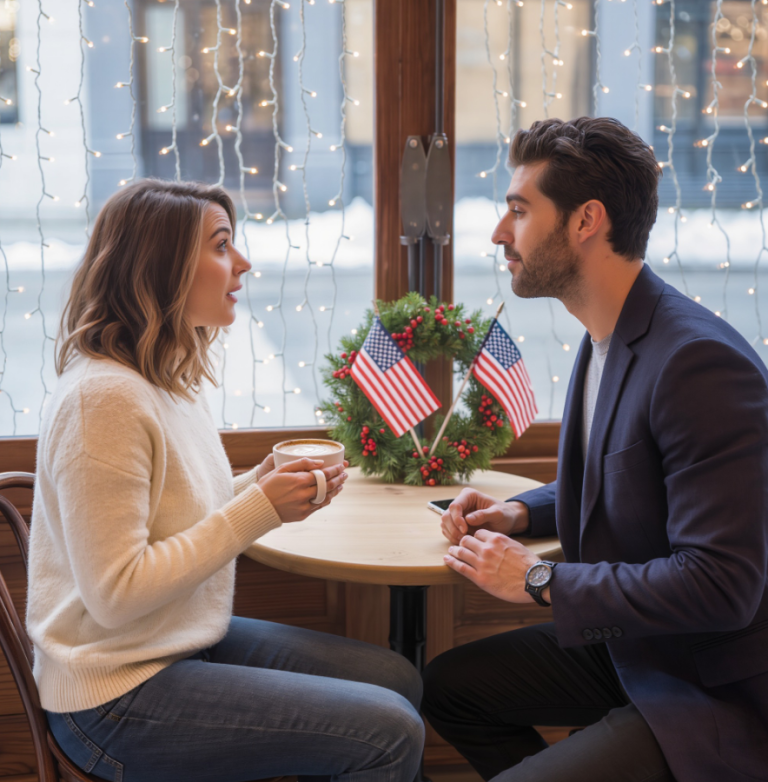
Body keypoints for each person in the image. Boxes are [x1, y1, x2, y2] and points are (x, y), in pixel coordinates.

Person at [27, 179, 424, 782]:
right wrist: (259, 508)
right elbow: (114, 594)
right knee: (390, 729)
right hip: (112, 698)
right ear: (160, 266)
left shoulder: (162, 377)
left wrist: (257, 484)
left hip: (172, 643)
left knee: (398, 679)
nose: (243, 262)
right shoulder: (102, 401)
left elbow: (174, 517)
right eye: (221, 246)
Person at [421, 117, 768, 782]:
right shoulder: (608, 333)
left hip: (708, 687)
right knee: (448, 688)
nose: (500, 234)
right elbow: (632, 473)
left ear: (586, 221)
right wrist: (520, 514)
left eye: (519, 211)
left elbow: (723, 587)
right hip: (636, 648)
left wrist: (538, 578)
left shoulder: (698, 363)